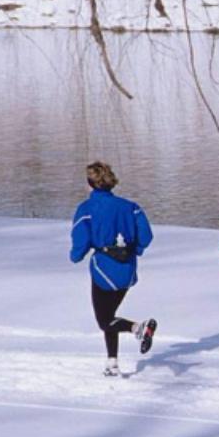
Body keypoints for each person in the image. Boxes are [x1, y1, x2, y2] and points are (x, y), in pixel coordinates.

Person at [70, 161, 157, 377]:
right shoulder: (131, 207)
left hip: (103, 271)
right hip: (126, 270)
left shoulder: (86, 209)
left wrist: (76, 255)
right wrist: (133, 250)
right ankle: (112, 363)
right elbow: (146, 236)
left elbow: (80, 242)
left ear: (90, 183)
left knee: (105, 320)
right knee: (110, 316)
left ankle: (138, 327)